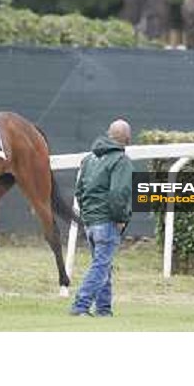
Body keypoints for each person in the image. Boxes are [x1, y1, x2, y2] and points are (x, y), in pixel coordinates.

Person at [70, 119, 133, 317]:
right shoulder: (121, 161)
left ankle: (104, 309)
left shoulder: (88, 159)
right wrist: (121, 218)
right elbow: (118, 193)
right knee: (101, 266)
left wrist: (87, 217)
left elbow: (79, 192)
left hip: (90, 222)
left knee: (103, 265)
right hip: (107, 222)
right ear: (128, 139)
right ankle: (81, 305)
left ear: (108, 134)